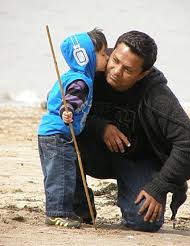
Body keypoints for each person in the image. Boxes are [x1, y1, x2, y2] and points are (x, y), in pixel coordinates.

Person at [71, 30, 190, 232]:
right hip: (94, 152)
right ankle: (79, 207)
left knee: (145, 223)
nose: (115, 71)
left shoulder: (155, 94)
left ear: (143, 74)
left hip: (137, 159)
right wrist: (100, 127)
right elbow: (62, 107)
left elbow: (189, 144)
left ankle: (132, 193)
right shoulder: (91, 68)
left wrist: (158, 187)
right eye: (115, 60)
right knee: (57, 136)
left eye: (128, 70)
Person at [38, 28, 108, 228]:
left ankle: (64, 210)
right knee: (61, 174)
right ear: (85, 56)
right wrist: (67, 110)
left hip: (50, 133)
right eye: (102, 54)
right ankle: (56, 213)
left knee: (60, 173)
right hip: (58, 134)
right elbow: (71, 100)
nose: (106, 57)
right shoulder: (81, 80)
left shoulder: (71, 75)